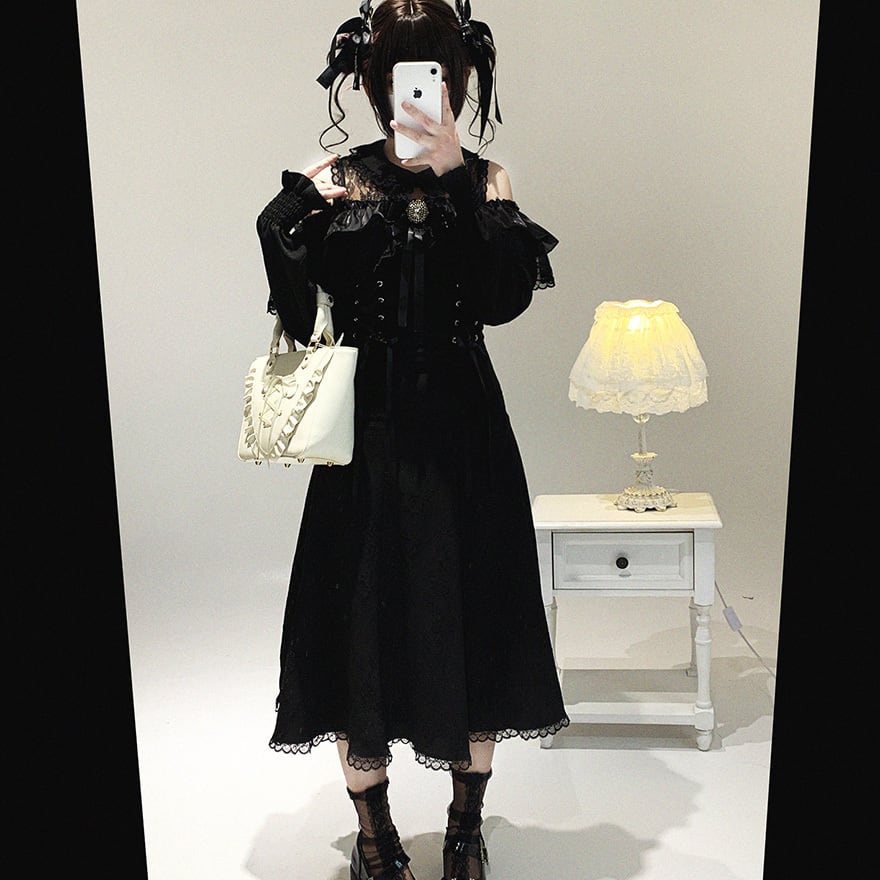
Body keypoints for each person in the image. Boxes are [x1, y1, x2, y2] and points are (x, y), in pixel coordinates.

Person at [255, 2, 569, 878]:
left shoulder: (487, 180)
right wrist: (291, 206)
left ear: (458, 80)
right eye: (401, 73)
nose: (420, 92)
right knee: (358, 615)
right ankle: (375, 838)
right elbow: (297, 310)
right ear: (373, 81)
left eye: (435, 72)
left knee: (476, 610)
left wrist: (459, 176)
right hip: (367, 433)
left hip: (466, 431)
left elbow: (503, 299)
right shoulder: (341, 179)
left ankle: (465, 834)